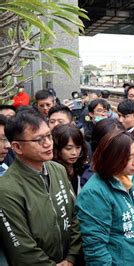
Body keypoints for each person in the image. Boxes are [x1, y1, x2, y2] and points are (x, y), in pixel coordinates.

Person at [0, 111, 81, 264]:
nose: (48, 143)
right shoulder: (6, 189)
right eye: (39, 139)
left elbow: (74, 215)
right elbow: (21, 246)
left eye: (49, 136)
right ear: (17, 147)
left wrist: (71, 257)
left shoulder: (58, 170)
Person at [76, 130, 134, 265]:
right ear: (112, 158)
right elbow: (95, 248)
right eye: (128, 157)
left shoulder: (129, 181)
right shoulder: (94, 193)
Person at [52, 124, 88, 195]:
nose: (74, 153)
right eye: (68, 148)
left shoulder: (82, 169)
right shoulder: (52, 173)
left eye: (78, 147)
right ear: (57, 148)